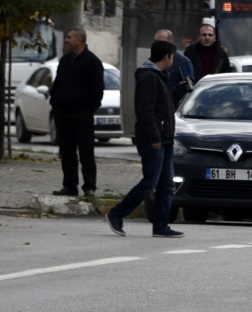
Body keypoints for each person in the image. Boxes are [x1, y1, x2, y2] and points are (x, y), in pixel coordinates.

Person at [106, 39, 183, 238]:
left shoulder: (159, 77)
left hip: (164, 138)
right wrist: (154, 135)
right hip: (154, 139)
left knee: (167, 184)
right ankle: (116, 214)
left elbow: (163, 107)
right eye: (172, 57)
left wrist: (180, 91)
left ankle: (161, 225)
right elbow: (146, 110)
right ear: (166, 57)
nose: (173, 60)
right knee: (150, 183)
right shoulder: (149, 76)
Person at [48, 29, 104, 197]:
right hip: (63, 114)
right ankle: (69, 185)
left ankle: (89, 186)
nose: (66, 40)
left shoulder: (92, 62)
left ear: (80, 40)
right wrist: (55, 102)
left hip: (82, 115)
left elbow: (97, 89)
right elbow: (58, 83)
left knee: (86, 151)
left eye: (70, 37)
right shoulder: (65, 61)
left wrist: (88, 110)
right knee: (67, 151)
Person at [156, 29, 195, 103]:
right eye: (155, 42)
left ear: (170, 43)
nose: (156, 46)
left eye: (160, 42)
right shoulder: (152, 61)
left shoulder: (183, 62)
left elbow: (189, 87)